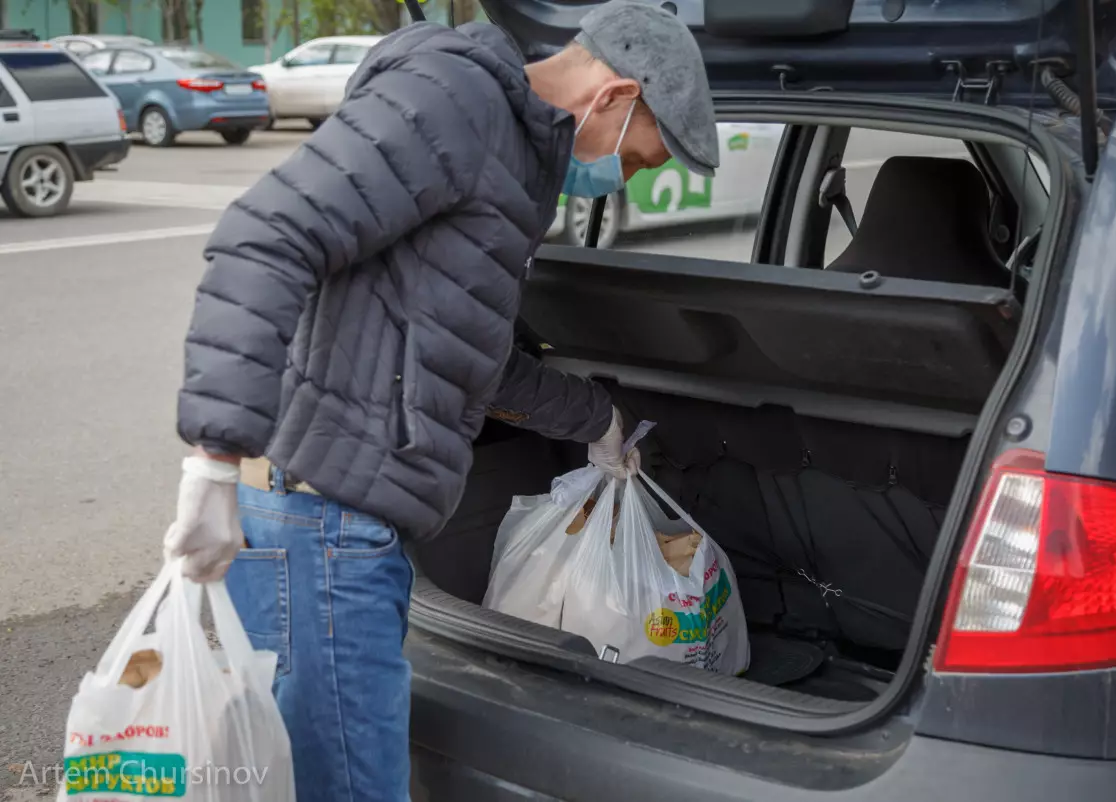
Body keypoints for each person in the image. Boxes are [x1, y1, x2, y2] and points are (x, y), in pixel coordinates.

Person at [164, 2, 718, 800]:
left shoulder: (512, 169)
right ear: (612, 97)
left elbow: (471, 358)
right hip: (329, 528)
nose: (624, 178)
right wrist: (216, 456)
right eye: (635, 158)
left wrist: (599, 420)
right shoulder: (454, 104)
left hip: (355, 532)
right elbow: (266, 233)